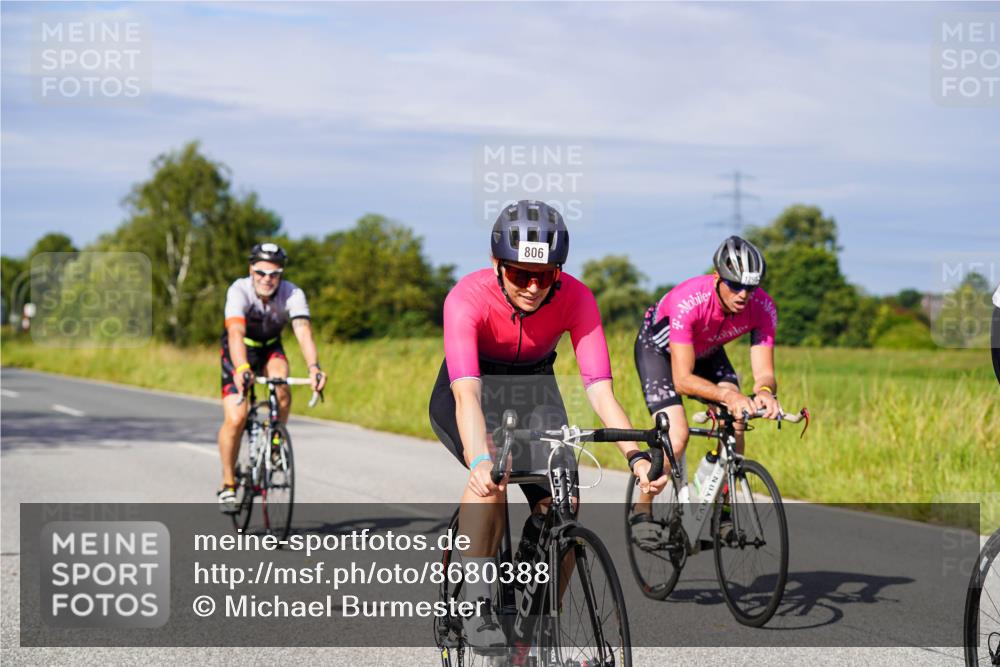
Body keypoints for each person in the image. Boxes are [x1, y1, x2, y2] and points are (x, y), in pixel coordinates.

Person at [428, 200, 667, 651]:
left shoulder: (578, 297)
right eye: (520, 274)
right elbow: (468, 396)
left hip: (535, 391)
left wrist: (635, 457)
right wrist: (480, 460)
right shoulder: (466, 297)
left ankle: (534, 628)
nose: (534, 287)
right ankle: (479, 599)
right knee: (491, 476)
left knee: (564, 502)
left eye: (547, 275)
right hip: (471, 389)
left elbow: (599, 391)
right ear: (497, 264)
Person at [630, 235, 782, 540]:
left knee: (738, 421)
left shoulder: (763, 306)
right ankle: (641, 509)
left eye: (750, 288)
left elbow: (764, 371)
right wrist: (728, 394)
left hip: (708, 352)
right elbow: (683, 380)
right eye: (735, 285)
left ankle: (722, 512)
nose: (743, 295)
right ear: (717, 278)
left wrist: (765, 393)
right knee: (677, 436)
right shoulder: (690, 300)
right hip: (660, 354)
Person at [216, 243, 326, 513]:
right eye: (261, 273)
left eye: (274, 274)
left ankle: (274, 441)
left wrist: (314, 367)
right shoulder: (238, 290)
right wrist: (242, 368)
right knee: (237, 418)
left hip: (270, 347)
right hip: (240, 350)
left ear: (281, 274)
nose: (267, 279)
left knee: (281, 385)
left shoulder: (292, 293)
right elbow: (235, 335)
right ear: (251, 270)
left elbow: (303, 331)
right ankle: (228, 484)